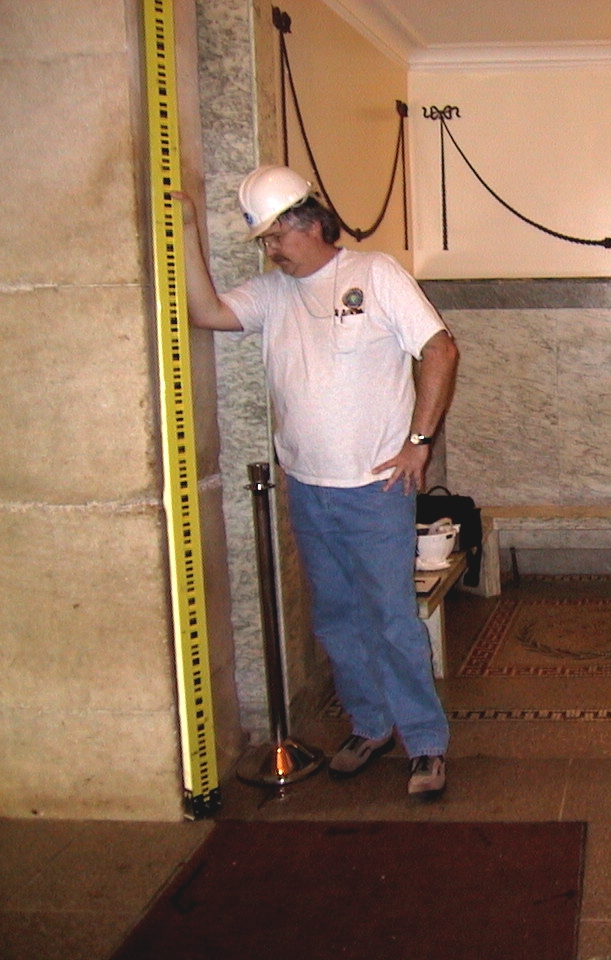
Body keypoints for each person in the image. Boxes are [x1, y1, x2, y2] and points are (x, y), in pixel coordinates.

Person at [174, 166, 459, 800]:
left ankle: (425, 743)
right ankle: (369, 725)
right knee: (335, 619)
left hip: (375, 488)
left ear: (308, 224)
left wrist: (419, 443)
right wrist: (189, 231)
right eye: (265, 241)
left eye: (274, 236)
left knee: (390, 619)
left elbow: (439, 350)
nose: (270, 250)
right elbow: (206, 311)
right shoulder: (274, 293)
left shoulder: (374, 274)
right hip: (307, 484)